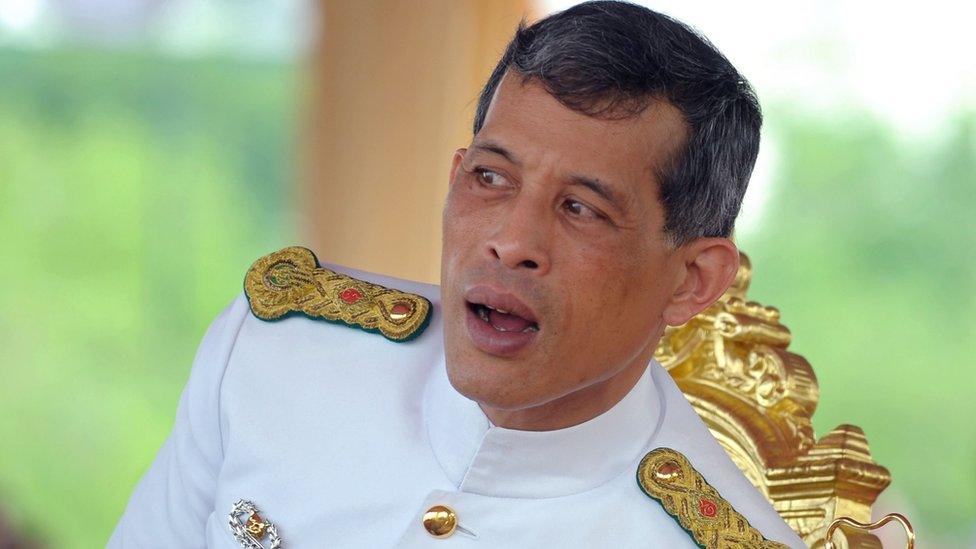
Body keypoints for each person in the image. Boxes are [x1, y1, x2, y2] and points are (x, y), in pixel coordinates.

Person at [110, 1, 805, 547]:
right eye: (491, 178)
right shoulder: (274, 354)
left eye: (581, 209)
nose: (511, 241)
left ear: (693, 279)